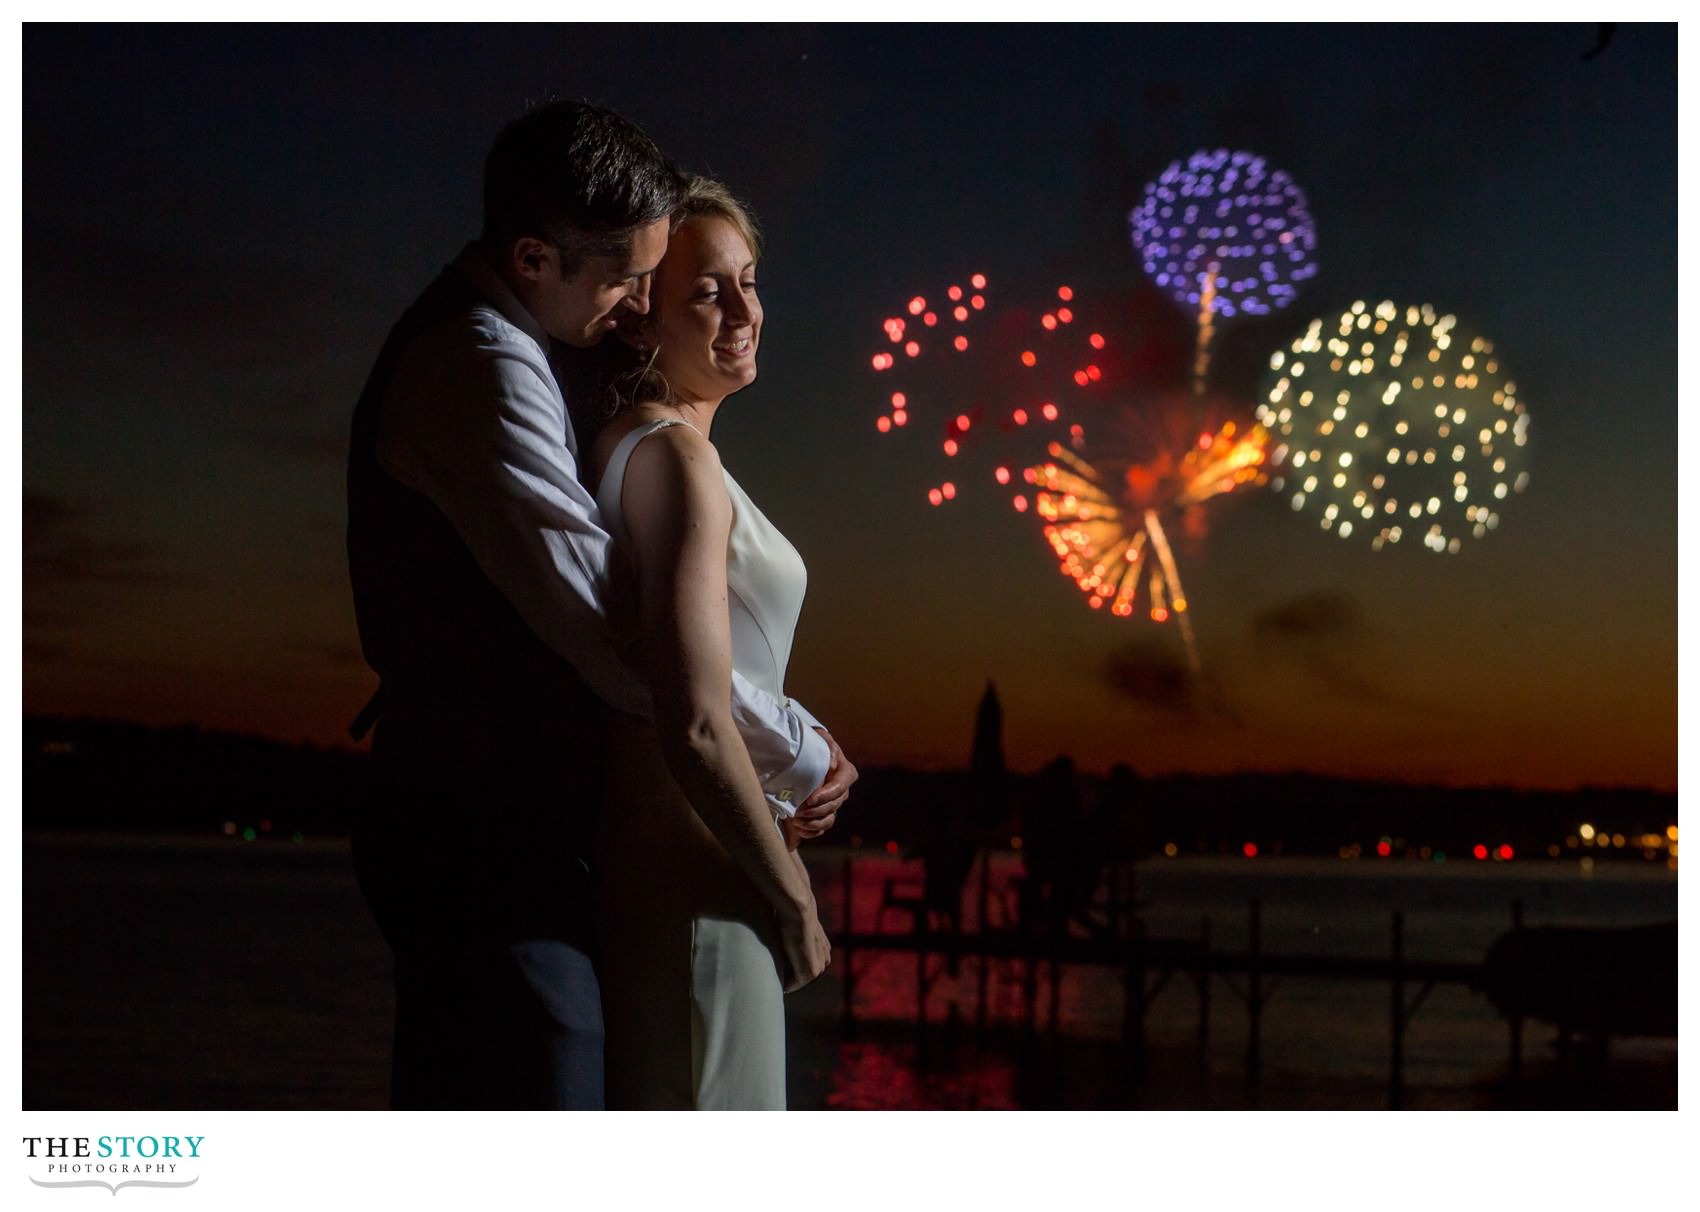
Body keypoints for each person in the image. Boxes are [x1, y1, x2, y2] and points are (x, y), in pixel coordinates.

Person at [345, 101, 855, 1110]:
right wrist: (789, 753)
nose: (627, 308)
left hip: (557, 839)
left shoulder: (549, 373)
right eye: (633, 280)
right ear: (534, 256)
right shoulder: (483, 364)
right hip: (478, 831)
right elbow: (603, 628)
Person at [574, 178, 832, 1109]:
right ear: (641, 321)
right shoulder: (676, 460)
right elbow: (690, 718)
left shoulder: (658, 452)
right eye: (707, 291)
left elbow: (712, 679)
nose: (742, 310)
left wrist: (797, 753)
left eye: (750, 282)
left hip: (694, 865)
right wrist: (794, 899)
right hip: (698, 883)